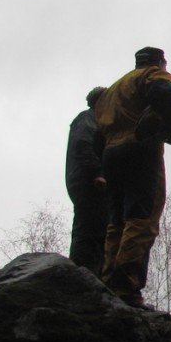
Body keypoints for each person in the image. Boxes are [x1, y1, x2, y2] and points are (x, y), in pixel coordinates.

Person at [95, 46, 171, 307]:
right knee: (142, 219)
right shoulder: (153, 75)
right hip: (141, 149)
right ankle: (126, 288)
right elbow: (162, 94)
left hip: (111, 155)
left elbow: (97, 133)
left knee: (117, 221)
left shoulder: (113, 90)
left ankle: (107, 283)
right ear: (160, 62)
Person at [65, 86, 108, 274]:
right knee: (88, 230)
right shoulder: (88, 119)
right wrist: (98, 172)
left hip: (88, 181)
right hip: (88, 182)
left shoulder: (94, 120)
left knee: (99, 230)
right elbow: (83, 145)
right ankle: (81, 274)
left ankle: (93, 274)